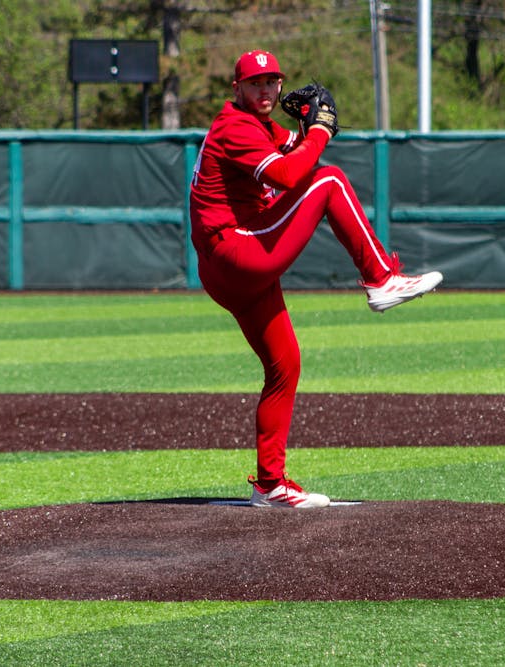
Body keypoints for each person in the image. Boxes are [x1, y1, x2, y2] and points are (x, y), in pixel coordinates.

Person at [190, 50, 443, 508]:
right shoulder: (234, 125)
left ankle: (269, 483)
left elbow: (292, 152)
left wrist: (308, 131)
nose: (265, 91)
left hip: (230, 264)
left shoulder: (261, 125)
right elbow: (291, 175)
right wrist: (321, 130)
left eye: (272, 82)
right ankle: (381, 279)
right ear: (237, 89)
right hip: (236, 251)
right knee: (328, 181)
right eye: (255, 83)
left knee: (284, 365)